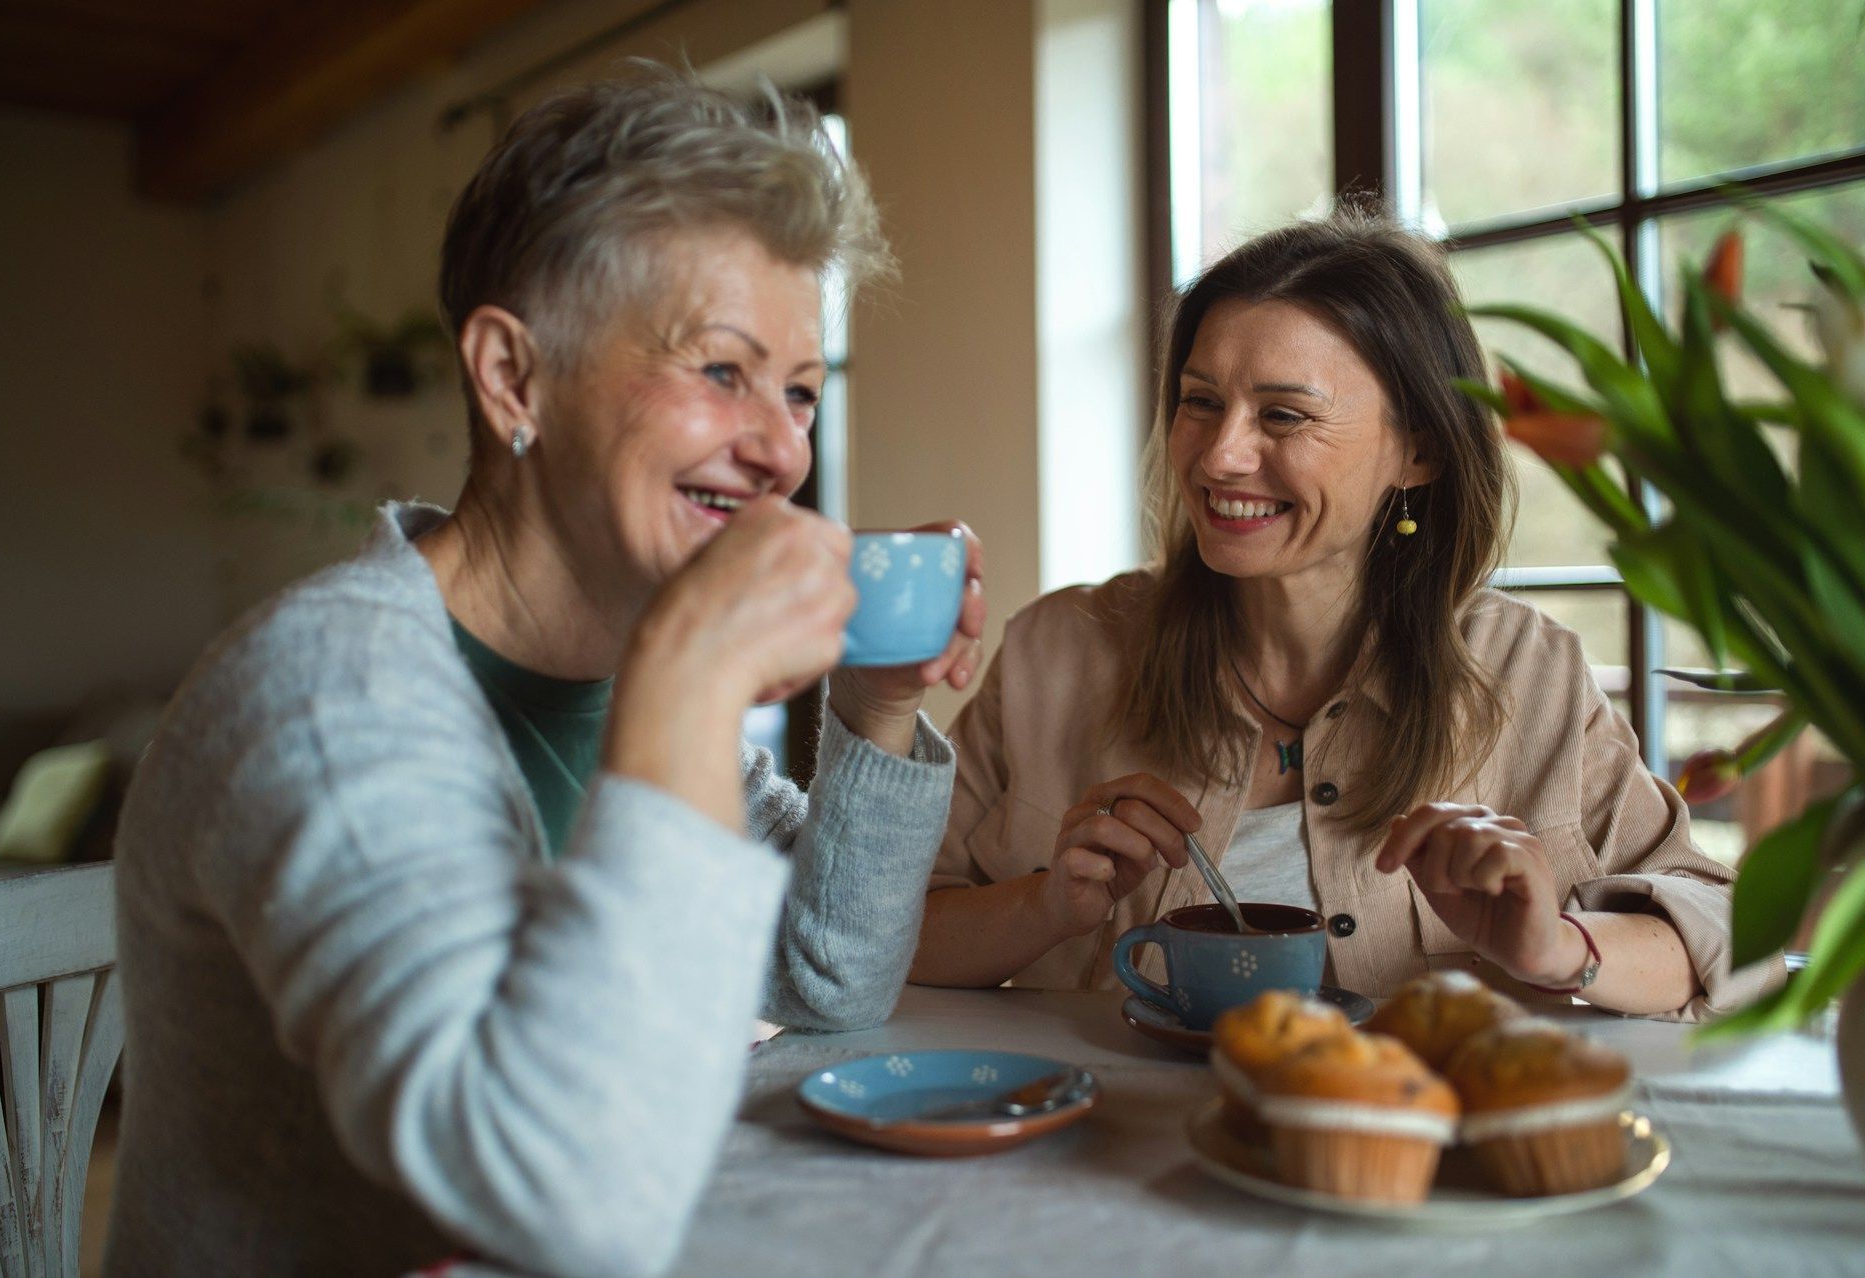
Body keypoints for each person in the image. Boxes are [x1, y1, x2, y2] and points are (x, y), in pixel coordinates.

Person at [106, 68, 984, 1278]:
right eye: (721, 372)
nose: (785, 450)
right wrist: (692, 673)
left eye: (798, 391)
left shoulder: (620, 668)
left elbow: (832, 976)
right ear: (514, 378)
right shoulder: (326, 697)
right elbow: (561, 1204)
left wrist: (878, 707)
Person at [911, 213, 1773, 1022]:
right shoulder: (1057, 652)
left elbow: (1727, 933)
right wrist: (1047, 905)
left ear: (1420, 450)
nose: (1220, 456)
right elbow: (891, 935)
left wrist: (1559, 949)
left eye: (1284, 415)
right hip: (1101, 1162)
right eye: (1201, 400)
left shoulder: (1524, 669)